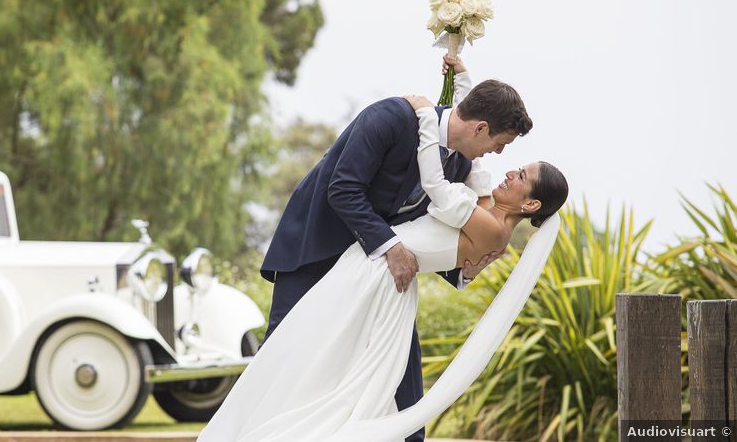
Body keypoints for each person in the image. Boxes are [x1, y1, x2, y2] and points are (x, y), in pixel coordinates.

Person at [197, 69, 569, 440]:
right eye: (499, 144)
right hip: (317, 251)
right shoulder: (390, 118)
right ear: (481, 128)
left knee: (402, 364)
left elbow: (436, 236)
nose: (497, 154)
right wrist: (391, 248)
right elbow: (342, 190)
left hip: (384, 278)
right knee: (282, 353)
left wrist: (464, 269)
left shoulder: (458, 164)